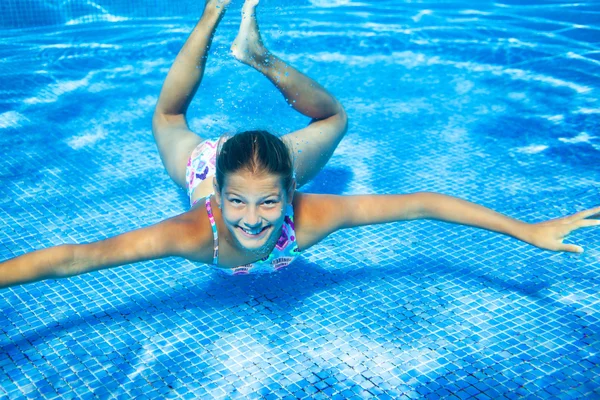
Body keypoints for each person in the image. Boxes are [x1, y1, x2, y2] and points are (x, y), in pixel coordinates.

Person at [1, 0, 599, 288]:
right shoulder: (195, 228)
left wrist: (528, 230)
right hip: (218, 164)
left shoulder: (306, 215)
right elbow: (77, 257)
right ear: (217, 196)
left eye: (269, 204)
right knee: (169, 114)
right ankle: (213, 13)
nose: (254, 221)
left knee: (336, 119)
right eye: (238, 204)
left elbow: (423, 202)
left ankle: (258, 56)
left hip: (263, 161)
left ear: (293, 191)